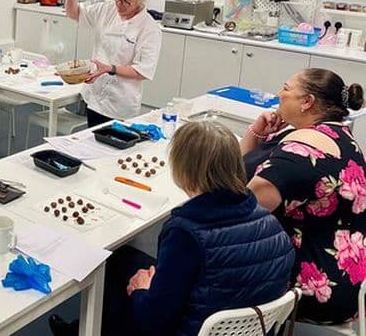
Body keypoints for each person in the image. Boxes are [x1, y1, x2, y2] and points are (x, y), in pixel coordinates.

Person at [51, 121, 295, 336]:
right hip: (247, 326)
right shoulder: (272, 225)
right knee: (124, 259)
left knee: (118, 269)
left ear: (183, 170)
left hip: (193, 328)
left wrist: (142, 291)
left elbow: (152, 321)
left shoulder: (186, 232)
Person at [244, 68, 365, 324]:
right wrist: (257, 133)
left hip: (314, 287)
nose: (279, 94)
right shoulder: (338, 135)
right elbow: (241, 167)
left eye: (286, 89)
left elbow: (237, 203)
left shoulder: (299, 152)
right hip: (350, 277)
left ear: (307, 102)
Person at [63, 0, 162, 127]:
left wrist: (110, 69)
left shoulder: (149, 28)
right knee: (93, 142)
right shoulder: (107, 9)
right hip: (95, 97)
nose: (119, 4)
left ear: (141, 2)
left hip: (121, 103)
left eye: (126, 2)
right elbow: (74, 14)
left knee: (113, 147)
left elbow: (143, 71)